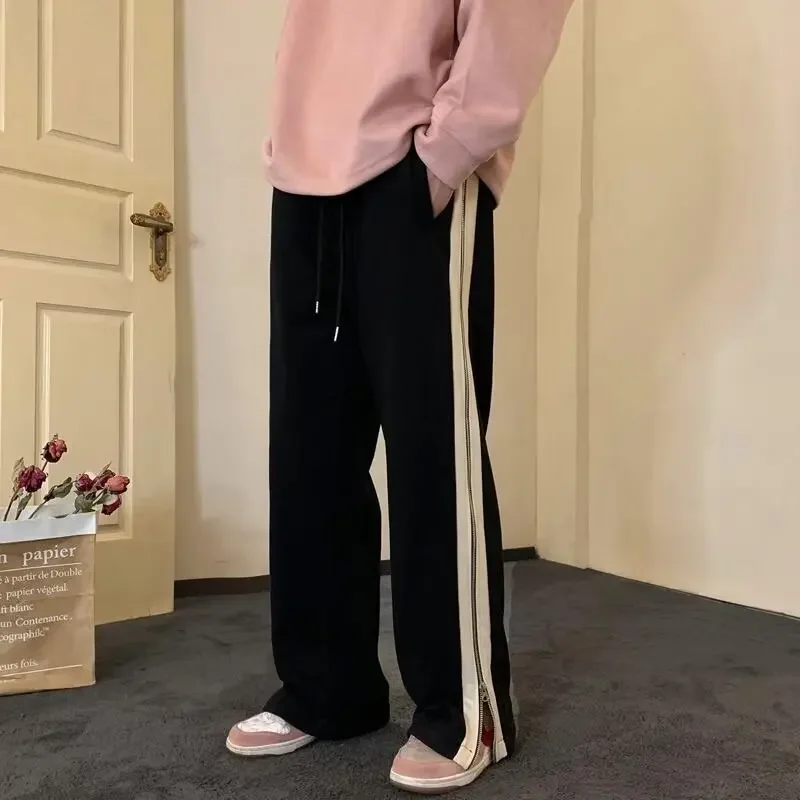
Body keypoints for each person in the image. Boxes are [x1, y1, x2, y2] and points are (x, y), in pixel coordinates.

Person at [226, 0, 573, 793]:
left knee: (431, 444)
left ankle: (463, 707)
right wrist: (286, 140)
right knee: (310, 446)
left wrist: (451, 148)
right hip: (306, 176)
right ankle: (328, 687)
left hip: (416, 166)